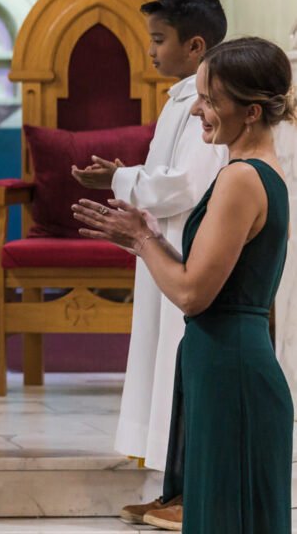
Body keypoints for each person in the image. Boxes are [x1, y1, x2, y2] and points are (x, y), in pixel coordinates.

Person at [75, 37, 295, 533]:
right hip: (225, 365)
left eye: (211, 100)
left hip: (231, 374)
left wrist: (139, 238)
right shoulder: (256, 173)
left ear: (252, 111)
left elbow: (194, 293)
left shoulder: (242, 178)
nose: (197, 110)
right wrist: (147, 237)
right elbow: (214, 277)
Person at [69, 0, 226, 523]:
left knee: (181, 372)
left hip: (189, 250)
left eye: (159, 41)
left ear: (195, 44)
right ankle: (173, 487)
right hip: (163, 243)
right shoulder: (181, 94)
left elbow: (187, 184)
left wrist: (120, 179)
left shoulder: (208, 98)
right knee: (165, 369)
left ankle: (191, 494)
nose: (151, 52)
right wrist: (126, 175)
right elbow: (167, 178)